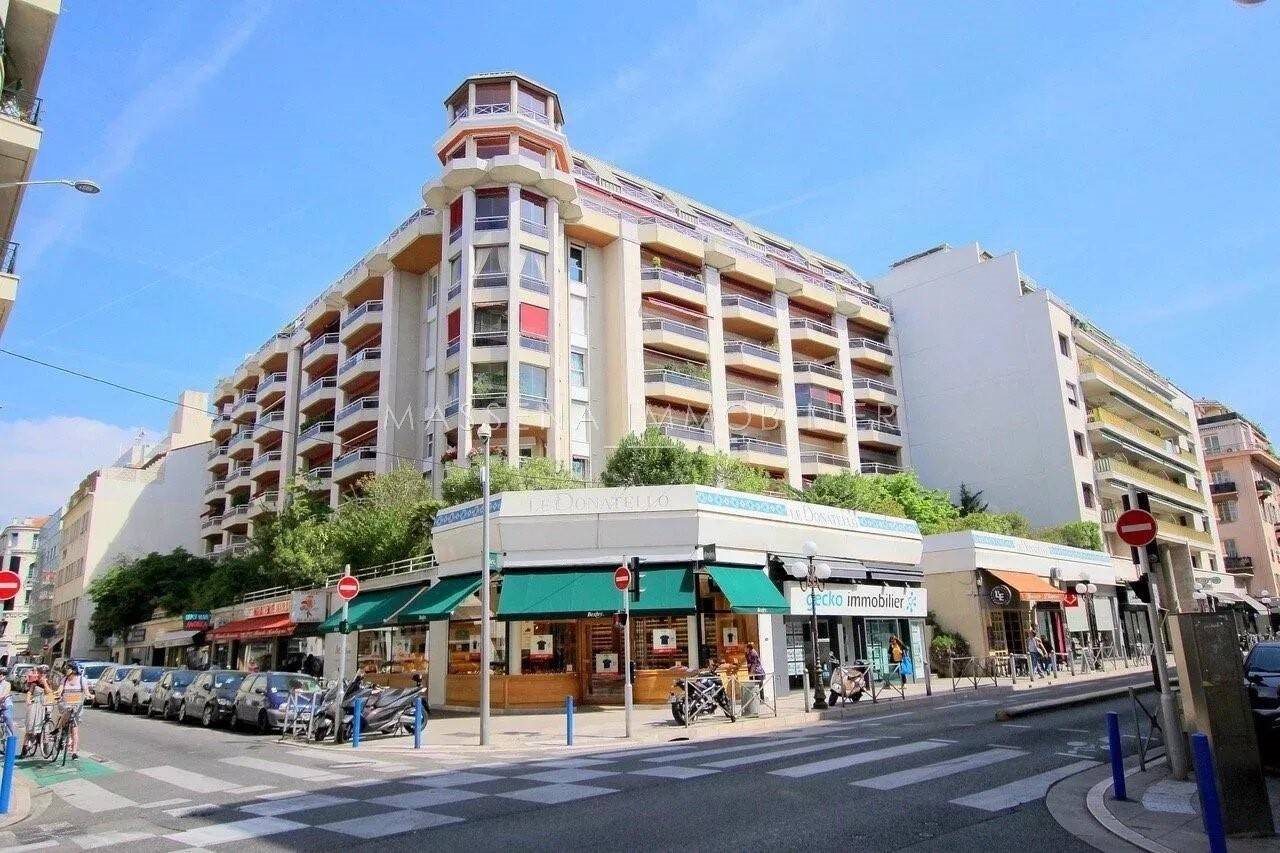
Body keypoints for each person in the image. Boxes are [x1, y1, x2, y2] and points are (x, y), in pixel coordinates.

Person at [57, 661, 87, 760]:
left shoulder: (82, 680)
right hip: (66, 705)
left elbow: (86, 691)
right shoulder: (64, 679)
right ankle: (60, 731)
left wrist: (89, 695)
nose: (66, 670)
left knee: (75, 729)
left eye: (68, 668)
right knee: (65, 717)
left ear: (73, 670)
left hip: (77, 706)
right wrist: (58, 694)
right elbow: (60, 690)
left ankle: (74, 752)